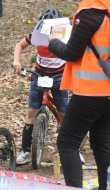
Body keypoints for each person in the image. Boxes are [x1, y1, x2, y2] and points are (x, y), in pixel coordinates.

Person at [48, 0, 110, 190]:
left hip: (91, 90)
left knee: (67, 142)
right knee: (102, 143)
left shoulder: (90, 11)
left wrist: (53, 43)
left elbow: (71, 53)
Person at [12, 8, 81, 165]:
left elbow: (76, 53)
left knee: (64, 113)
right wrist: (17, 61)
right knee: (31, 112)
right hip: (39, 74)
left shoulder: (66, 35)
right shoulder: (37, 34)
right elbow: (19, 45)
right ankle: (26, 150)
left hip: (59, 76)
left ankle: (73, 149)